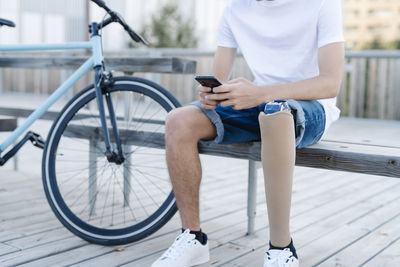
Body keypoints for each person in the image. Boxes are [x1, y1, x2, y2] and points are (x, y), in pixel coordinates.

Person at [152, 0, 344, 266]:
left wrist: (262, 93)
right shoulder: (234, 10)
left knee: (276, 112)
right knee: (179, 120)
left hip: (310, 106)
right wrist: (211, 95)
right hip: (258, 102)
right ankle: (192, 237)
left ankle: (281, 250)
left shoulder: (323, 4)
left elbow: (330, 83)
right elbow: (218, 76)